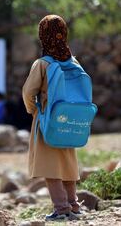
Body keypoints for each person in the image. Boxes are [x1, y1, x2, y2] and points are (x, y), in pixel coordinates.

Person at [22, 15, 81, 221]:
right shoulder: (73, 62)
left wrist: (34, 110)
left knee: (50, 165)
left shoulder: (42, 64)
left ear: (42, 35)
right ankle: (74, 205)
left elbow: (28, 92)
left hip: (48, 117)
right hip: (71, 119)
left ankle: (61, 208)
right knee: (67, 163)